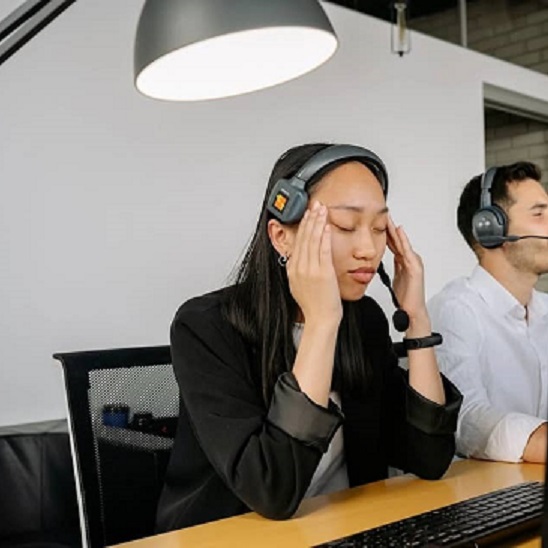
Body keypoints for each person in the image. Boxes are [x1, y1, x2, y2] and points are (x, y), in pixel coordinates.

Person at [156, 143, 462, 532]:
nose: (369, 249)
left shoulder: (364, 321)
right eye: (346, 227)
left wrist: (417, 321)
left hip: (343, 527)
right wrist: (320, 322)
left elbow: (430, 457)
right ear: (282, 236)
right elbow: (274, 492)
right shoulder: (205, 326)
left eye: (380, 228)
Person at [428, 162, 548, 464]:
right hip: (478, 496)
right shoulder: (455, 310)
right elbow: (466, 421)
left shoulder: (545, 309)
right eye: (539, 214)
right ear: (490, 228)